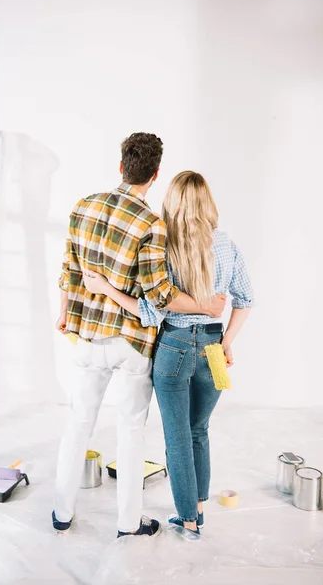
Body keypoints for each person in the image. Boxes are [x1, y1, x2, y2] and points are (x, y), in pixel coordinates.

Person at [54, 135, 226, 539]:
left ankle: (62, 514)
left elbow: (68, 267)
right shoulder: (151, 224)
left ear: (120, 167)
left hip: (89, 338)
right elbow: (161, 295)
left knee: (78, 421)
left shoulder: (83, 206)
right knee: (131, 431)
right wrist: (207, 305)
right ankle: (129, 523)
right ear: (155, 174)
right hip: (132, 343)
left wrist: (64, 310)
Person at [83, 170, 254, 542]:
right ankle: (199, 511)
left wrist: (107, 289)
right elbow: (245, 301)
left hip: (173, 347)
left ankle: (188, 521)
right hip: (213, 349)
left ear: (172, 202)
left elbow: (149, 311)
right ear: (207, 201)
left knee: (177, 438)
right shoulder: (226, 245)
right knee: (199, 431)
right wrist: (226, 341)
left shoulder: (163, 246)